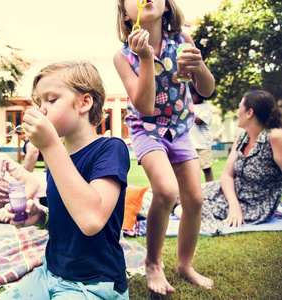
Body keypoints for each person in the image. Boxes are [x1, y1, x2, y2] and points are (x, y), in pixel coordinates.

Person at [0, 61, 130, 299]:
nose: (41, 110)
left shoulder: (110, 149)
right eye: (39, 102)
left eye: (51, 99)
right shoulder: (58, 157)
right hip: (51, 273)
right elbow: (68, 218)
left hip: (93, 282)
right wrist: (41, 216)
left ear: (84, 103)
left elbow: (91, 220)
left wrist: (50, 146)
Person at [114, 0, 215, 295]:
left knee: (195, 198)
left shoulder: (182, 41)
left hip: (181, 127)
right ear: (124, 13)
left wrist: (200, 67)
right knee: (168, 191)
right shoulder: (123, 57)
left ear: (167, 7)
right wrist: (146, 58)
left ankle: (185, 264)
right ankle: (153, 263)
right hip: (146, 130)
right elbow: (144, 107)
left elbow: (206, 90)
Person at [174, 90, 282, 233]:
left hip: (253, 205)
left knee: (183, 208)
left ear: (249, 113)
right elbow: (227, 175)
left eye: (239, 107)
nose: (237, 112)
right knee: (181, 195)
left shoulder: (274, 137)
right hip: (231, 194)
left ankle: (210, 226)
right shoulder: (242, 137)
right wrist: (233, 205)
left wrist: (236, 207)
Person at [189, 81, 215, 182]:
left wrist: (187, 114)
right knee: (190, 170)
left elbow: (199, 121)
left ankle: (210, 186)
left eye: (190, 93)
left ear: (197, 94)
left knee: (206, 168)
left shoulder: (206, 107)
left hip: (202, 144)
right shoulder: (188, 106)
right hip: (189, 144)